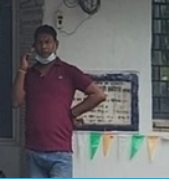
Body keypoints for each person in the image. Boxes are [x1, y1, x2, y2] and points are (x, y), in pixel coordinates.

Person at [13, 25, 106, 178]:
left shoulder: (69, 71)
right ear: (34, 46)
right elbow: (16, 102)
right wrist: (22, 70)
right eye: (39, 43)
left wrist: (73, 112)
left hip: (60, 152)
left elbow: (98, 95)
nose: (44, 47)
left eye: (47, 42)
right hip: (33, 151)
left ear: (56, 44)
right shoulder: (29, 74)